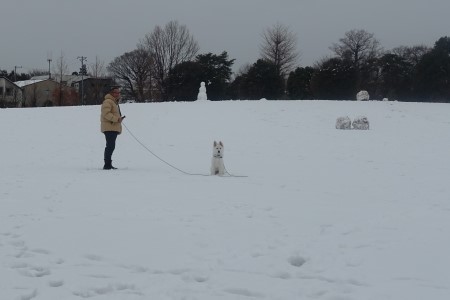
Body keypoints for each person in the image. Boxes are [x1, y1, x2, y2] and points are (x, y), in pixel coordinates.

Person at [100, 86, 125, 170]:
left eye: (118, 92)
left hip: (113, 127)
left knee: (111, 146)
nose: (118, 94)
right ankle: (107, 165)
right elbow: (105, 114)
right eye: (116, 92)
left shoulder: (114, 102)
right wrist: (117, 119)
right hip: (109, 127)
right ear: (111, 93)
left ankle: (108, 164)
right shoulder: (108, 101)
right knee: (110, 146)